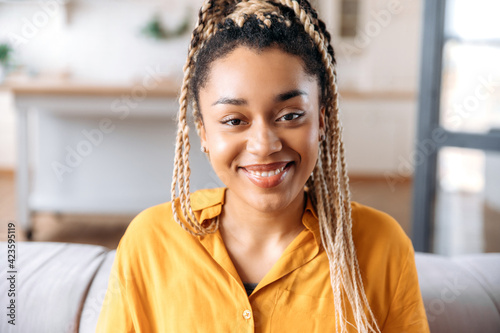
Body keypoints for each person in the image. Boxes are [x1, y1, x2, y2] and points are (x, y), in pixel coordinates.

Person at [96, 1, 430, 332]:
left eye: (290, 116)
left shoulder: (382, 246)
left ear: (322, 121)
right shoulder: (151, 241)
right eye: (234, 120)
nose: (264, 145)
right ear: (204, 133)